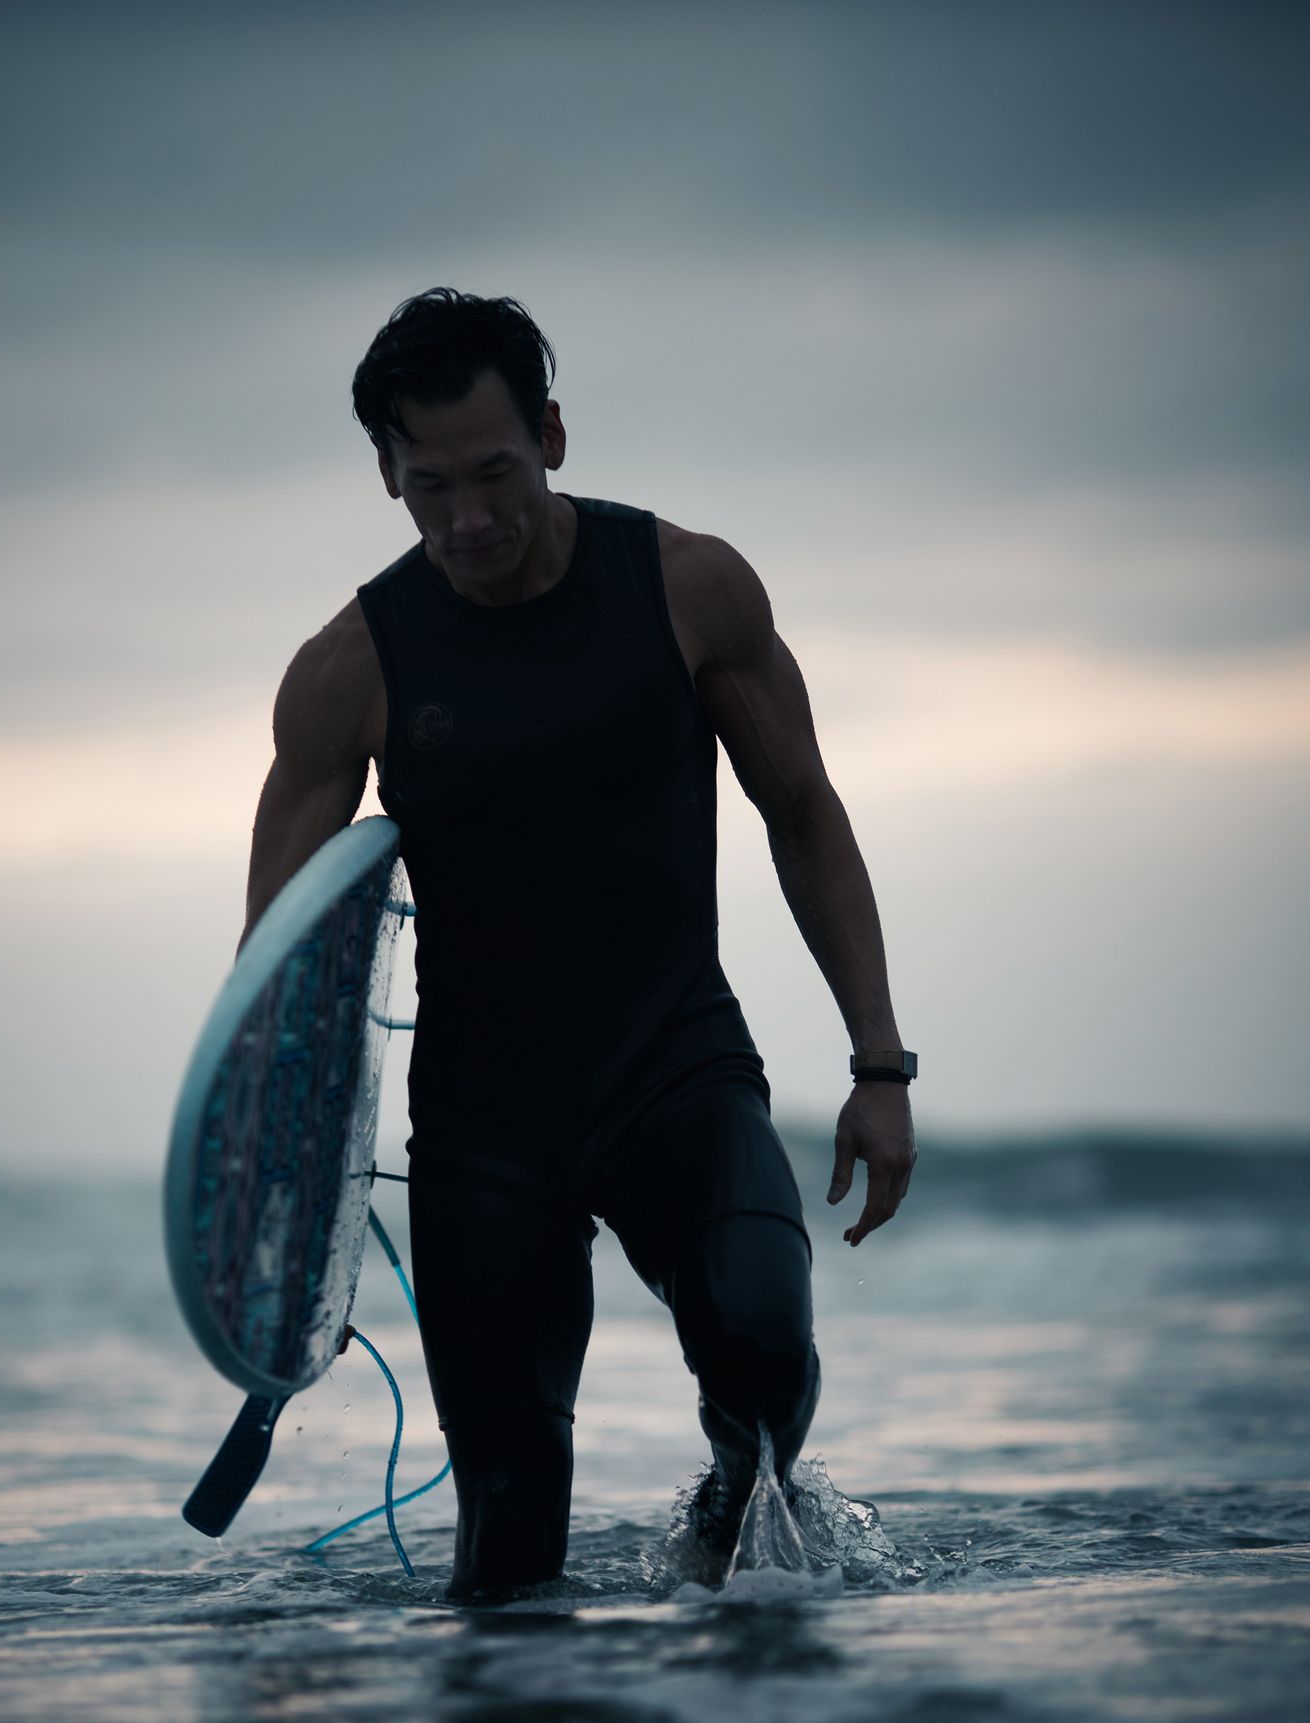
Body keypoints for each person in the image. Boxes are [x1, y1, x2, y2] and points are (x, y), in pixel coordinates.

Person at [243, 287, 916, 1601]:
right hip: (486, 1126)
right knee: (503, 1540)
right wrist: (272, 1198)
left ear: (550, 434)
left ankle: (735, 1527)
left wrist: (878, 1065)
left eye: (493, 472)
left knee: (765, 1358)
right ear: (385, 472)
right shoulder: (349, 672)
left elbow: (803, 814)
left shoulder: (686, 590)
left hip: (672, 1065)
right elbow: (276, 962)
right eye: (428, 485)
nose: (467, 518)